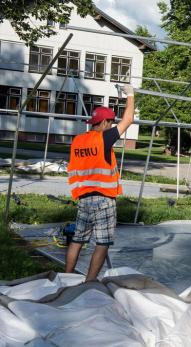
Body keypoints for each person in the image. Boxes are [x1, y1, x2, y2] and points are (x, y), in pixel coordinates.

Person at [65, 85, 135, 281]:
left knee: (77, 240)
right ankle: (89, 282)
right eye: (111, 122)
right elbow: (128, 119)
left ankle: (66, 276)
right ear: (104, 122)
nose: (112, 125)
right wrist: (130, 93)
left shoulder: (78, 141)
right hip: (103, 200)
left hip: (83, 199)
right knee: (102, 243)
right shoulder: (104, 138)